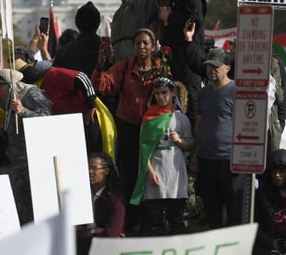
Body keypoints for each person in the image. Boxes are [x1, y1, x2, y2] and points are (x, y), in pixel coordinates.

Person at [91, 28, 161, 233]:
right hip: (129, 128)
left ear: (153, 46)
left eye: (146, 43)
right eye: (138, 43)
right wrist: (100, 65)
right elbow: (103, 86)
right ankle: (129, 222)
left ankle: (150, 221)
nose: (141, 47)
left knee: (152, 175)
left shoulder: (160, 68)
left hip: (152, 129)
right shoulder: (124, 66)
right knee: (129, 176)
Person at [130, 74, 193, 236]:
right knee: (153, 221)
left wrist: (179, 141)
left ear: (173, 93)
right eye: (158, 93)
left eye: (164, 93)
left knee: (176, 220)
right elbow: (143, 148)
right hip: (156, 171)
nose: (161, 97)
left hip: (175, 172)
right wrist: (149, 171)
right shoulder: (149, 118)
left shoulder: (181, 119)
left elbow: (191, 145)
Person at [188, 47, 243, 229]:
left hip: (229, 160)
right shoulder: (204, 93)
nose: (212, 69)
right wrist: (195, 153)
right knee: (212, 212)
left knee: (234, 211)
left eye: (216, 66)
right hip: (207, 159)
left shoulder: (237, 90)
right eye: (209, 66)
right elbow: (199, 125)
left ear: (227, 68)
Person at [0, 69, 52, 225]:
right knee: (23, 211)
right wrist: (1, 132)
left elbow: (47, 119)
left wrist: (23, 111)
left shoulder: (31, 93)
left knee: (37, 211)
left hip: (34, 163)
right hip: (18, 164)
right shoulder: (8, 102)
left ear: (9, 85)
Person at [161, 0, 207, 124]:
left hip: (188, 52)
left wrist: (169, 17)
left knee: (189, 99)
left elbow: (196, 17)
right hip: (178, 53)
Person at [76, 152, 124, 255]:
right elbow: (71, 233)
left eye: (94, 168)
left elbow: (112, 234)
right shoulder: (80, 197)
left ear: (106, 171)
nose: (90, 172)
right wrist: (94, 231)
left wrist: (89, 232)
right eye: (88, 168)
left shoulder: (115, 200)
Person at [54, 1, 103, 77]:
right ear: (98, 23)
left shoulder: (63, 53)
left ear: (77, 23)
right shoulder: (107, 51)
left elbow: (55, 78)